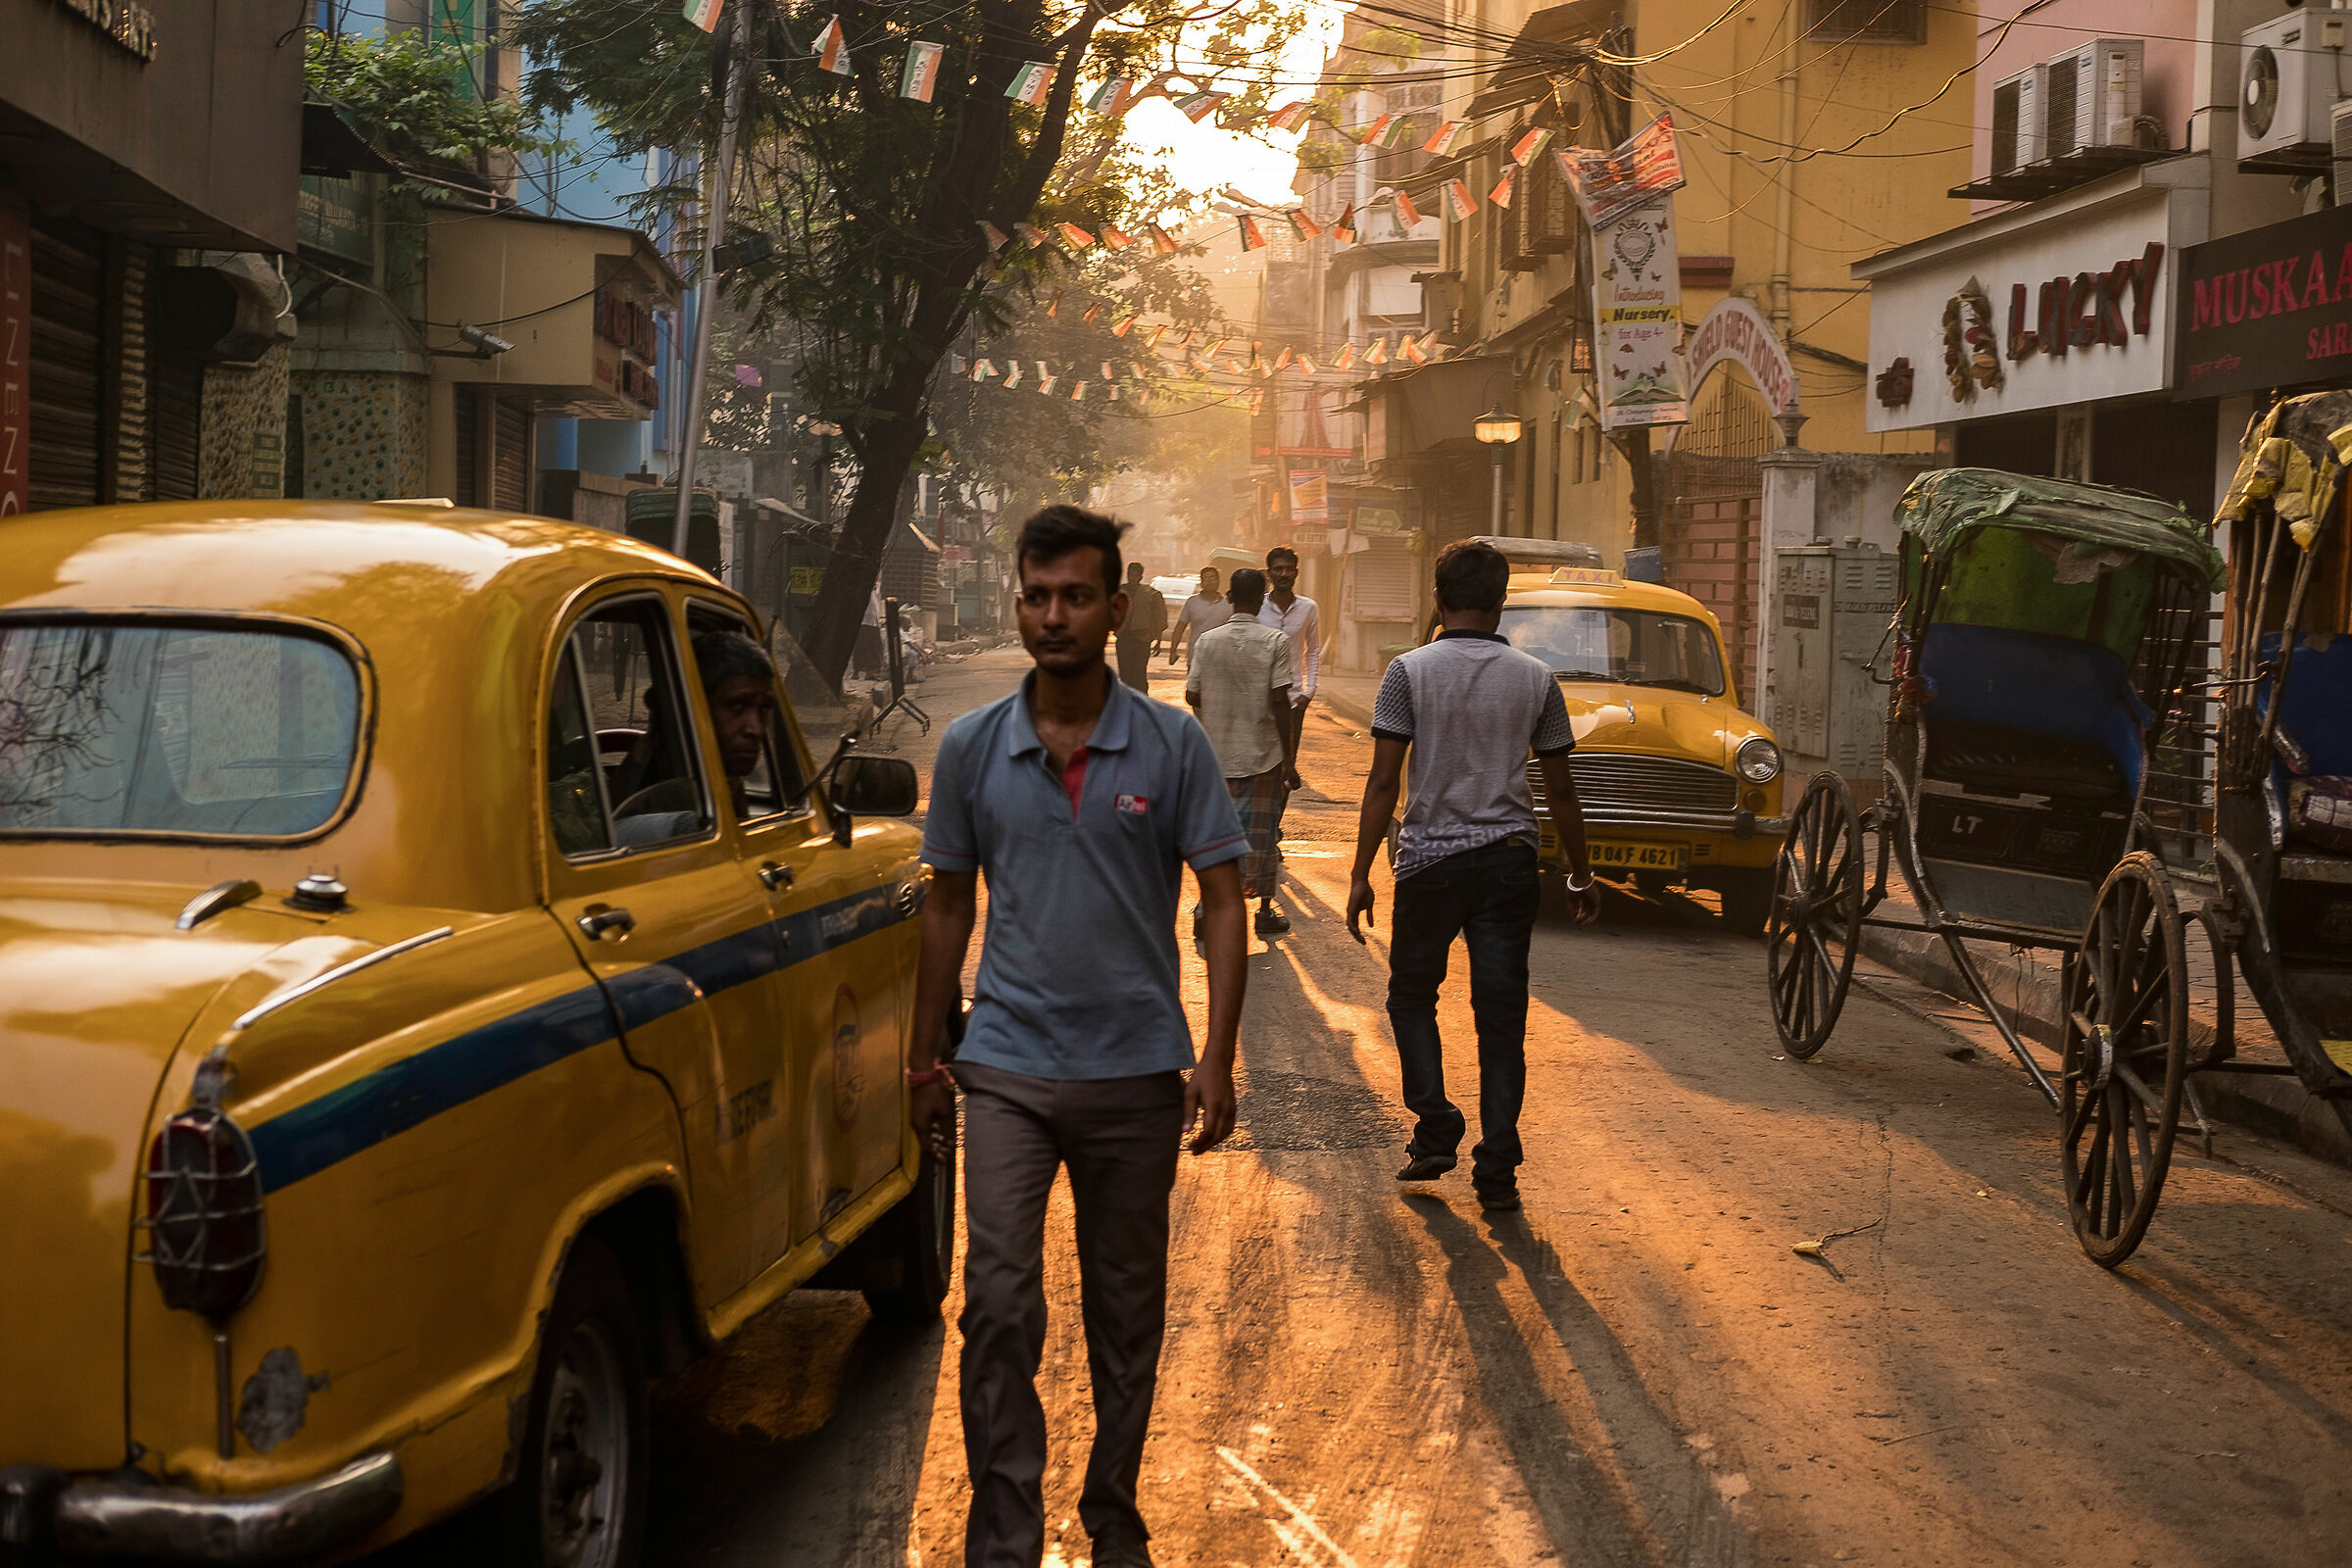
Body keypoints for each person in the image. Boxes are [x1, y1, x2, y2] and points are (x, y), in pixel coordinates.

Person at [906, 505, 1250, 1568]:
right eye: (1037, 594)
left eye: (1075, 596)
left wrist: (1216, 1054)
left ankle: (1113, 1512)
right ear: (1021, 601)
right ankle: (1002, 1536)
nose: (1053, 615)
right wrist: (928, 1054)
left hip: (1136, 1071)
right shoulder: (971, 749)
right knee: (998, 1304)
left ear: (1115, 609)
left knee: (1124, 1310)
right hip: (1004, 1064)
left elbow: (1226, 900)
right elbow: (949, 908)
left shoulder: (1170, 741)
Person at [1345, 539, 1597, 1213]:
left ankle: (1435, 1125)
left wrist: (1361, 872)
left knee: (1410, 997)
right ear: (1501, 601)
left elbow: (1382, 781)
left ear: (1437, 600)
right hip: (1508, 864)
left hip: (1429, 863)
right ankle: (1498, 1170)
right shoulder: (1536, 678)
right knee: (1501, 1021)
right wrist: (1580, 873)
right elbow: (1562, 791)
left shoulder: (1407, 671)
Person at [1185, 567, 1300, 940]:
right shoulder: (1275, 641)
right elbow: (1281, 701)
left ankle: (1206, 906)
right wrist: (1289, 759)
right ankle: (1264, 911)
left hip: (1215, 757)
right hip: (1262, 755)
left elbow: (1193, 695)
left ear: (1230, 597)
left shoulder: (1207, 642)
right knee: (1262, 837)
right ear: (1261, 600)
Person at [1257, 545, 1320, 769]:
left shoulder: (1308, 607)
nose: (1283, 574)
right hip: (1259, 696)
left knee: (1288, 762)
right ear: (1269, 573)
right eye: (1278, 569)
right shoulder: (1257, 606)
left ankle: (1279, 804)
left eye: (1288, 569)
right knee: (1260, 759)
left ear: (1296, 572)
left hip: (1293, 698)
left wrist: (1309, 690)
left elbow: (1313, 649)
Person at [1116, 561, 1168, 690]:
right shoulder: (1119, 592)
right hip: (1123, 639)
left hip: (1142, 640)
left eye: (1135, 575)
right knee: (1125, 675)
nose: (1132, 578)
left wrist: (1158, 641)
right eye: (1130, 575)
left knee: (1139, 675)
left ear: (1140, 577)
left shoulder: (1150, 593)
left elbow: (1158, 618)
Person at [1166, 566, 1225, 665]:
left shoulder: (1227, 604)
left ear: (1219, 581)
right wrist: (1173, 651)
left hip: (1219, 658)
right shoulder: (1192, 602)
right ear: (1201, 582)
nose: (1209, 581)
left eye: (1213, 578)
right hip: (1195, 656)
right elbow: (1180, 627)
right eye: (1206, 579)